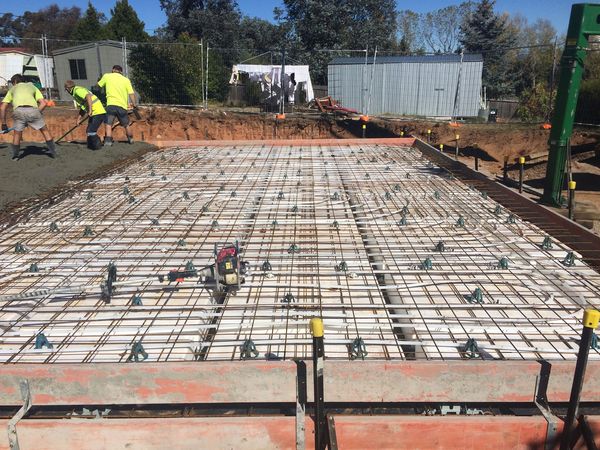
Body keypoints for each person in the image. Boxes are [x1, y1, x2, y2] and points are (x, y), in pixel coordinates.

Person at [0, 74, 56, 160]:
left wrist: (4, 124)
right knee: (45, 131)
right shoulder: (32, 87)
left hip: (18, 111)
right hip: (33, 109)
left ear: (15, 82)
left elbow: (2, 107)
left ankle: (15, 156)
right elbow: (43, 103)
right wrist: (36, 113)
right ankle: (53, 153)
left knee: (17, 134)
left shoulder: (13, 89)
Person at [97, 65, 136, 146]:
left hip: (110, 105)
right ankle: (131, 139)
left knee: (108, 124)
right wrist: (134, 104)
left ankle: (108, 141)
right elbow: (131, 93)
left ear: (113, 70)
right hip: (122, 107)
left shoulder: (107, 76)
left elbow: (98, 86)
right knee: (126, 124)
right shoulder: (126, 80)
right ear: (121, 72)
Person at [64, 80, 106, 150]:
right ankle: (90, 146)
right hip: (95, 111)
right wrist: (78, 119)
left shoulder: (77, 91)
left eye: (66, 90)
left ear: (68, 88)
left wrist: (90, 110)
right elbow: (83, 107)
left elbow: (88, 96)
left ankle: (97, 147)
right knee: (89, 131)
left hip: (97, 111)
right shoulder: (76, 91)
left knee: (91, 131)